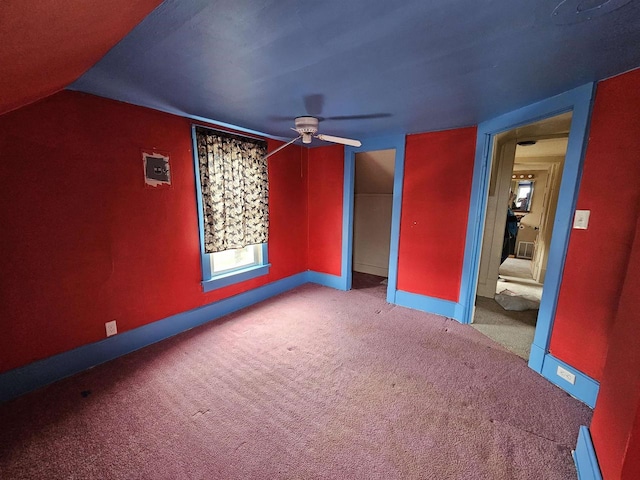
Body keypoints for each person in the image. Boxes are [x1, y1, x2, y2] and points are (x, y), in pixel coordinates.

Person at [501, 192, 519, 264]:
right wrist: (515, 218)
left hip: (508, 233)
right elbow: (503, 218)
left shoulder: (507, 206)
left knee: (505, 253)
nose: (511, 198)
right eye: (510, 196)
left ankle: (496, 269)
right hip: (504, 232)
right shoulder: (502, 205)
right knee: (503, 253)